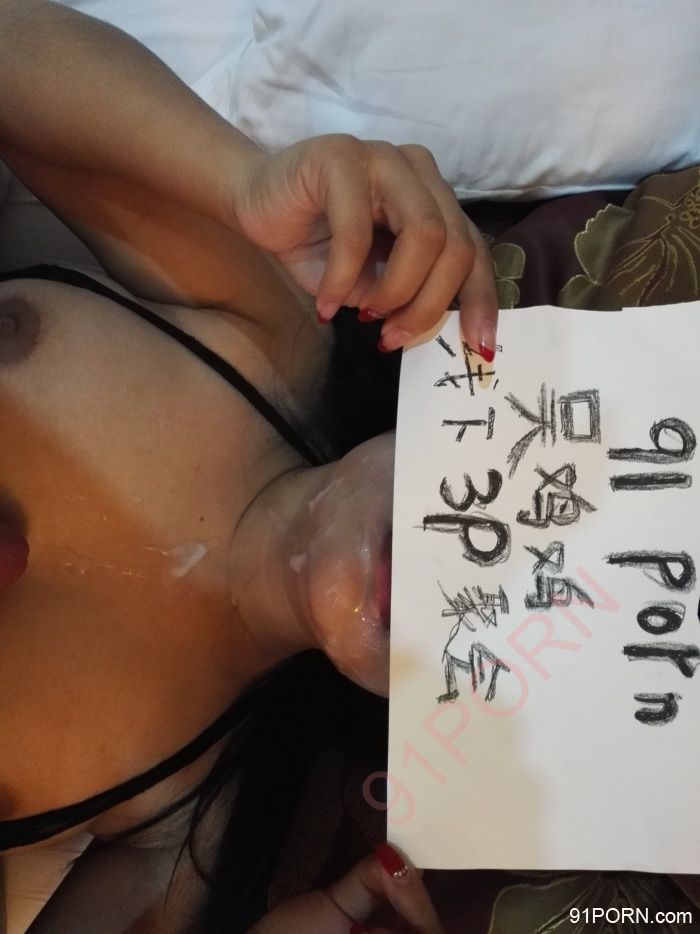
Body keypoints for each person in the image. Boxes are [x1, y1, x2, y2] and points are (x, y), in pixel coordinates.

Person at [0, 1, 499, 930]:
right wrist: (237, 177)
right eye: (554, 500)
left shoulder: (185, 822)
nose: (492, 562)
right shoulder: (261, 336)